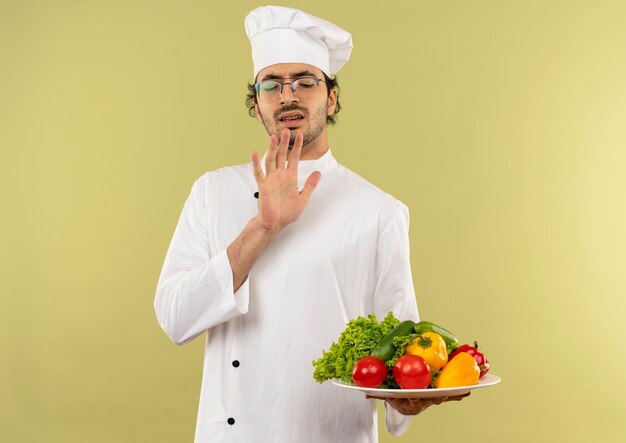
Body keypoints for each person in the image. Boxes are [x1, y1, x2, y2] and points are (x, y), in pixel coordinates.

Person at [154, 5, 466, 442]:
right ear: (256, 103)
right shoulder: (212, 192)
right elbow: (174, 317)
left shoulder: (379, 211)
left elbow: (400, 349)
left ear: (331, 97)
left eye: (305, 81)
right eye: (272, 84)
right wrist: (262, 229)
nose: (288, 96)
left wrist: (407, 395)